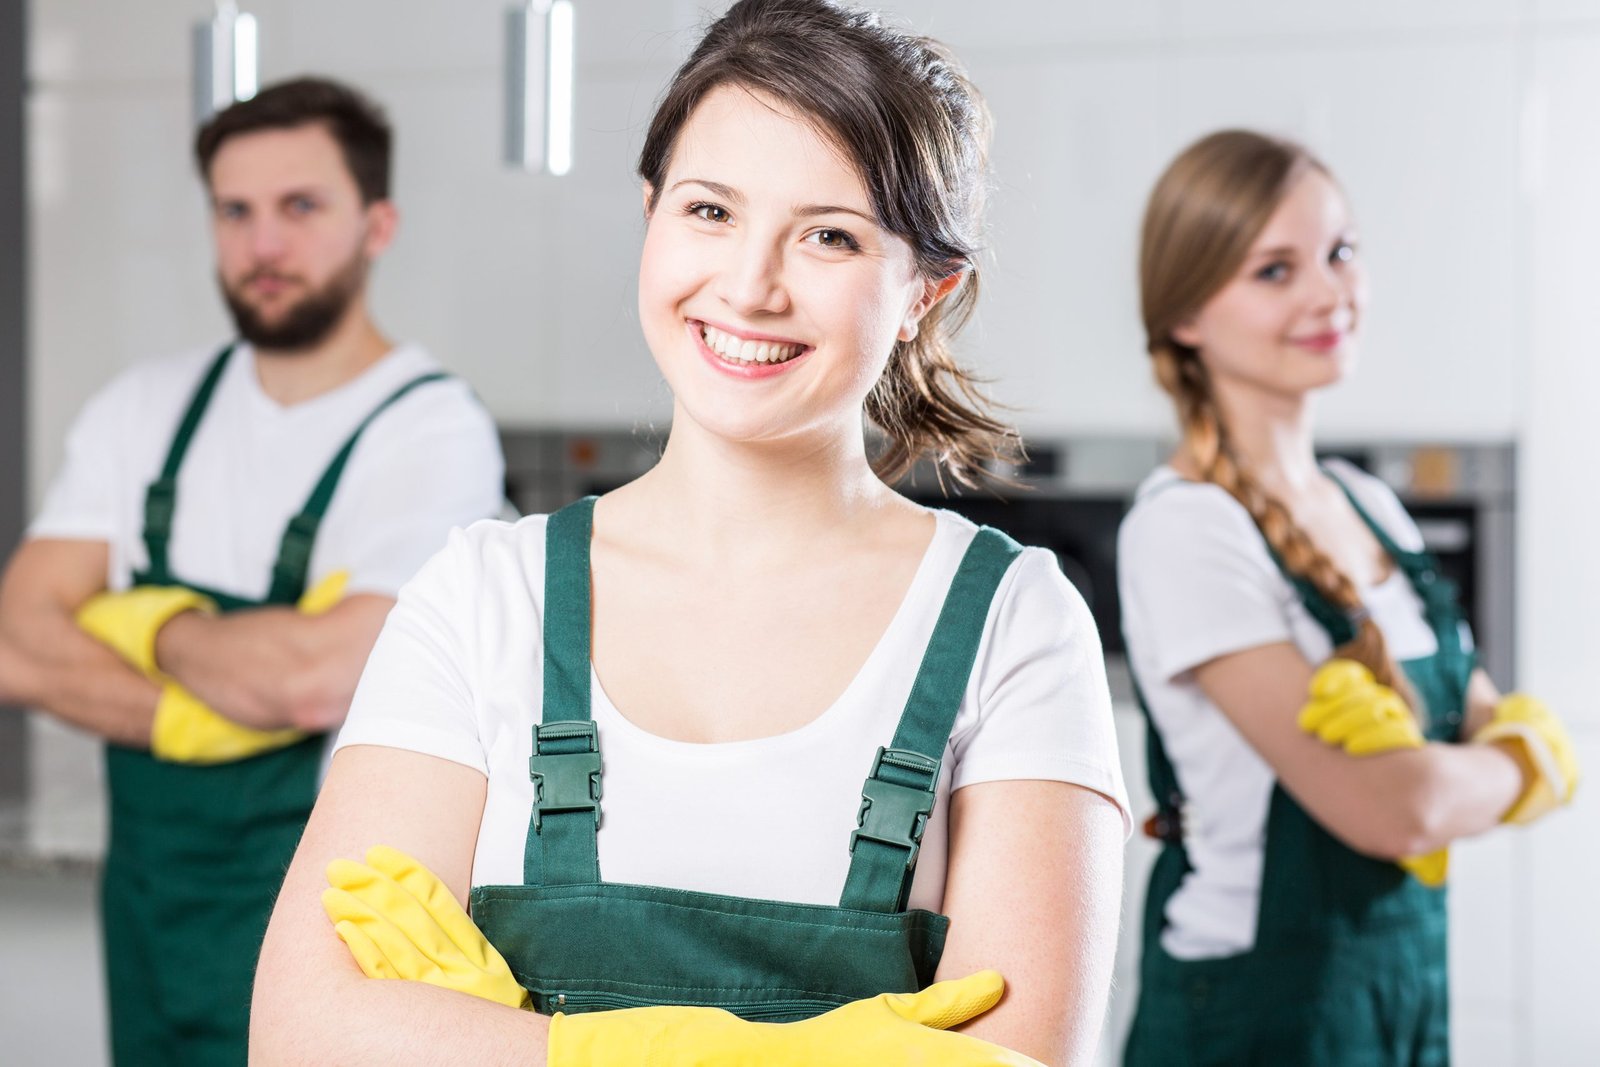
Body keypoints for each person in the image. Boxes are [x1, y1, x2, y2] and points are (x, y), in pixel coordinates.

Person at [251, 2, 1131, 1064]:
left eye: (828, 235)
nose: (750, 285)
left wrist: (502, 1042)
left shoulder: (1011, 623)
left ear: (921, 293)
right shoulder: (484, 597)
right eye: (710, 211)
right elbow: (304, 1034)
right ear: (650, 212)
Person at [0, 77, 505, 1063]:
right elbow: (17, 643)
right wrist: (210, 701)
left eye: (300, 207)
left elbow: (314, 674)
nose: (262, 245)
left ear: (378, 223)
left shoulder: (431, 429)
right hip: (154, 912)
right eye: (235, 211)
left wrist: (143, 619)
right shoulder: (141, 407)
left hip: (330, 925)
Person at [1117, 129, 1579, 1066]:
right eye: (1275, 271)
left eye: (1340, 253)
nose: (1331, 293)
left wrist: (1452, 774)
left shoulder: (1368, 503)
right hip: (1257, 1014)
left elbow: (1458, 741)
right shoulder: (1188, 527)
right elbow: (1394, 811)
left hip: (1401, 991)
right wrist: (1530, 766)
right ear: (1188, 315)